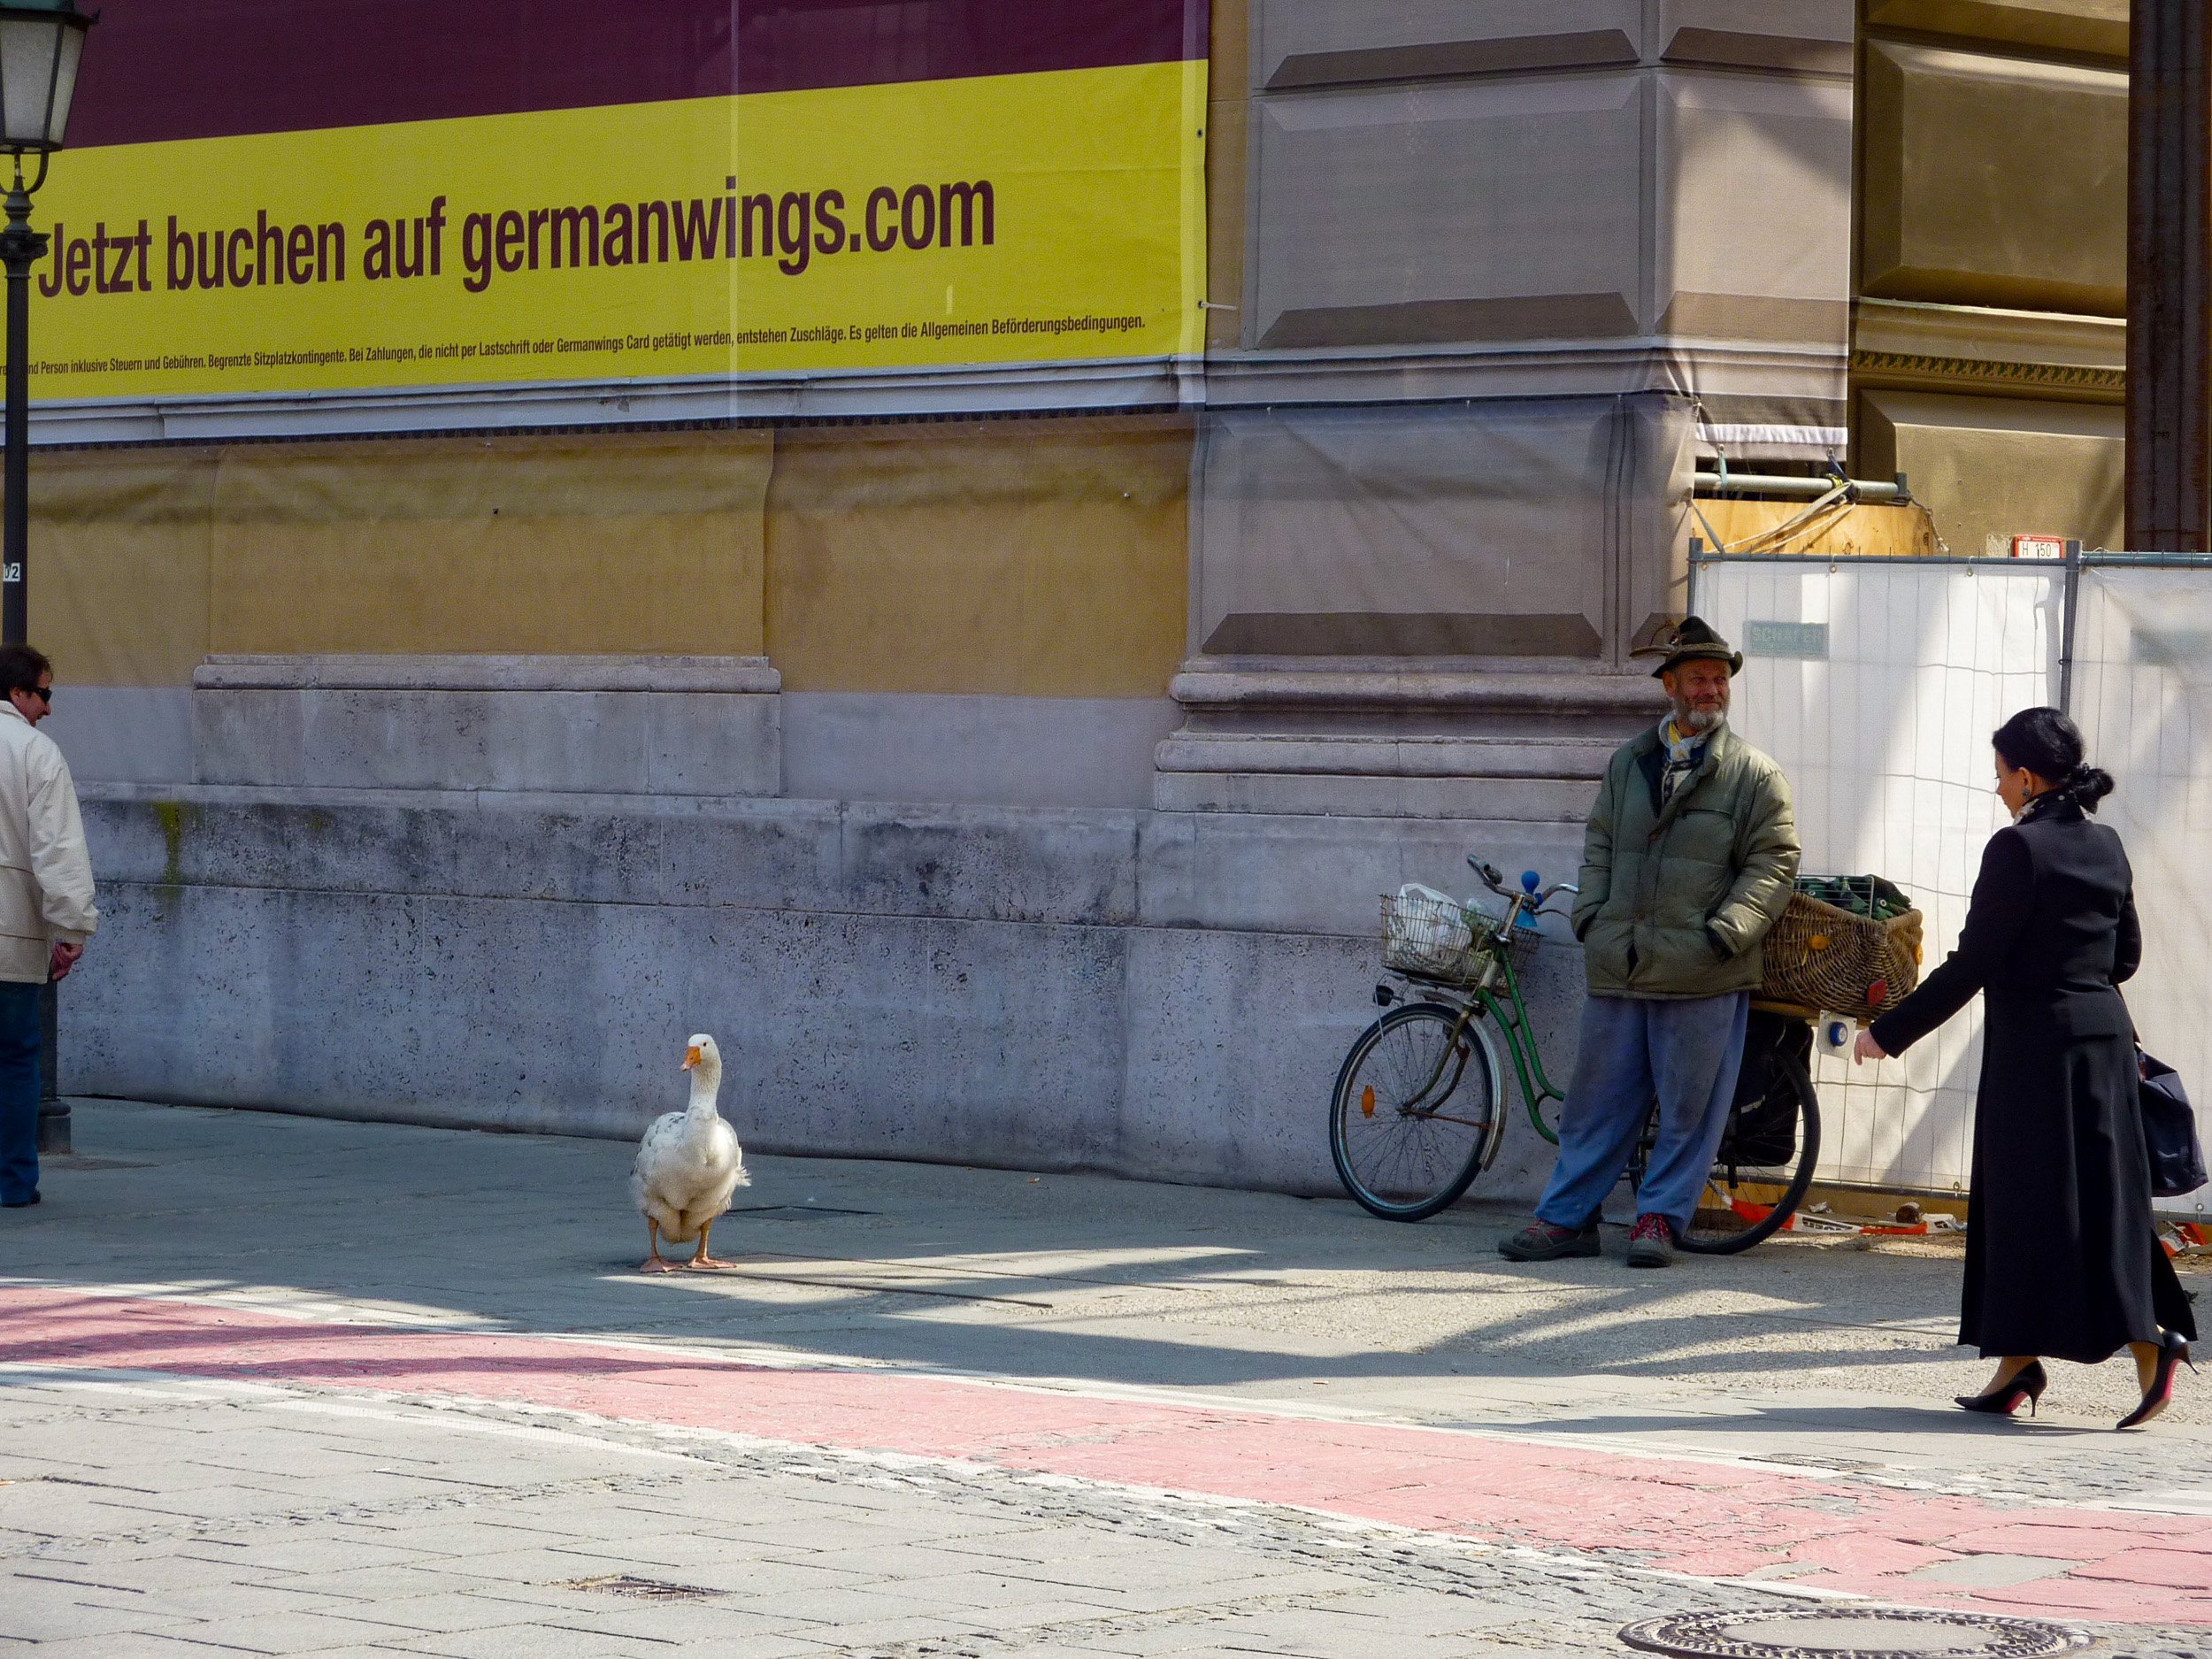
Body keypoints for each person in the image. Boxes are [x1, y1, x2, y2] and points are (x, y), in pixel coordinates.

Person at [1853, 707, 2195, 1429]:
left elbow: (1975, 961)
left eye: (2003, 772)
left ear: (2029, 775)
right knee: (2102, 1204)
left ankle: (2149, 1343)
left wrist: (1889, 1031)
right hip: (2103, 1046)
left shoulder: (2018, 849)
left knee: (2023, 1201)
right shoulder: (2106, 845)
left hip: (2037, 1052)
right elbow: (2124, 956)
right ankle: (2018, 1365)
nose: (1998, 785)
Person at [1501, 618, 1799, 1267]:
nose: (1713, 689)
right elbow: (1600, 844)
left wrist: (1726, 932)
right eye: (1699, 676)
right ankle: (1566, 1218)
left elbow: (1773, 863)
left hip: (1704, 968)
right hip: (1622, 961)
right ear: (1670, 685)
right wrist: (1593, 917)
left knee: (1690, 1108)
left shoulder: (1754, 774)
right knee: (1594, 1102)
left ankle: (1658, 1220)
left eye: (1720, 678)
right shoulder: (1629, 762)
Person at [0, 644, 97, 1210]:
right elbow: (59, 850)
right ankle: (11, 1183)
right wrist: (71, 931)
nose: (49, 708)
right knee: (14, 1061)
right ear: (18, 694)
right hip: (10, 938)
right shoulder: (36, 753)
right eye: (45, 693)